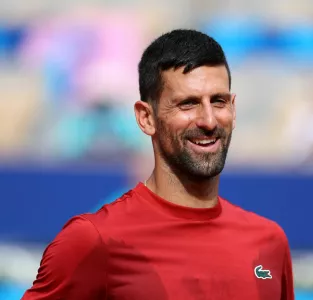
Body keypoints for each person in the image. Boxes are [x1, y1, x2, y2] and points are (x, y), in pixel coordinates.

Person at [22, 29, 294, 300]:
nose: (209, 121)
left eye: (219, 101)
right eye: (187, 104)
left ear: (233, 109)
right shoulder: (92, 239)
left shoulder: (269, 242)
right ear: (145, 118)